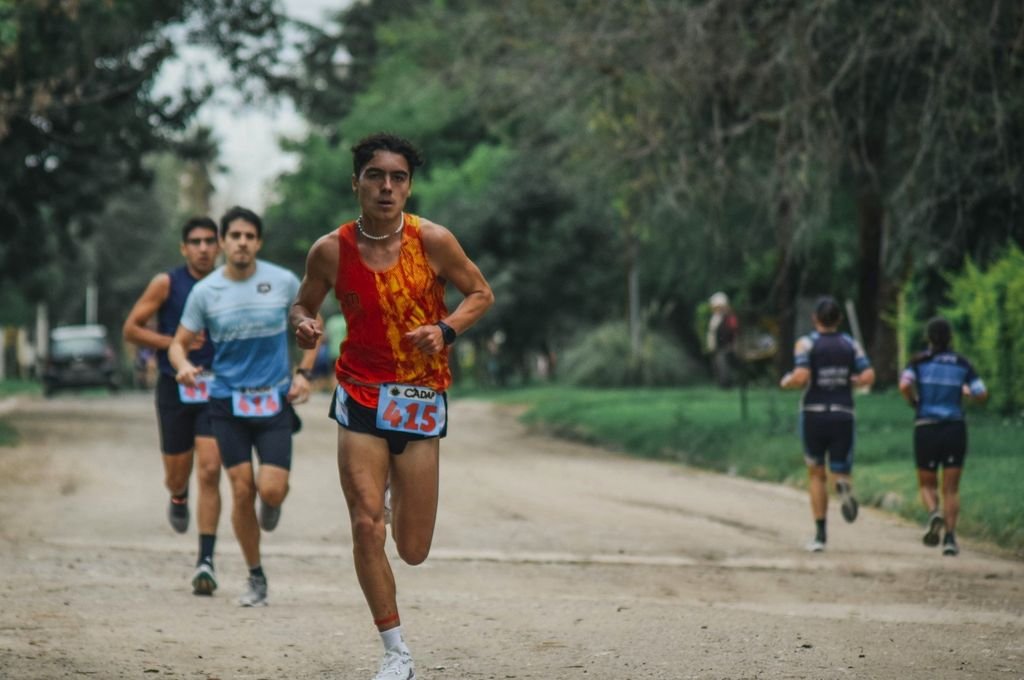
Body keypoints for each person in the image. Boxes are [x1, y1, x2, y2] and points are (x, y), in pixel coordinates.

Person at [289, 133, 494, 680]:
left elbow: (480, 293)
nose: (386, 187)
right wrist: (304, 324)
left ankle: (390, 494)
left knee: (413, 548)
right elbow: (304, 303)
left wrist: (445, 329)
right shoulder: (331, 249)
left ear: (408, 186)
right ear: (355, 183)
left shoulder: (433, 241)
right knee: (364, 524)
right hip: (359, 392)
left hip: (420, 399)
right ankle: (395, 651)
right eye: (375, 176)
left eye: (397, 178)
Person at [169, 206, 318, 607]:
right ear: (223, 242)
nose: (242, 242)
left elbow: (311, 328)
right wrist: (183, 366)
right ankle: (256, 576)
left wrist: (303, 374)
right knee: (240, 489)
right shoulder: (207, 292)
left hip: (272, 403)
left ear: (259, 242)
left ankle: (272, 503)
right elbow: (177, 343)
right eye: (234, 235)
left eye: (250, 236)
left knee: (269, 490)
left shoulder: (283, 282)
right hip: (226, 403)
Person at [122, 216, 224, 596]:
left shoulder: (230, 283)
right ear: (184, 248)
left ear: (219, 246)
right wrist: (173, 344)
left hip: (215, 388)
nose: (202, 248)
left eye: (209, 241)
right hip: (174, 388)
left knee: (211, 469)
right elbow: (131, 328)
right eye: (195, 242)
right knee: (177, 474)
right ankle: (178, 495)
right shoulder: (167, 283)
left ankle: (206, 560)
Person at [780, 296, 875, 552]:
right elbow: (868, 375)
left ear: (815, 319)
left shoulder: (806, 344)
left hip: (814, 413)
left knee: (816, 473)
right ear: (839, 320)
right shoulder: (850, 344)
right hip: (843, 412)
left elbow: (801, 376)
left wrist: (788, 381)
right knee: (840, 469)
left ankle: (820, 535)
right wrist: (850, 381)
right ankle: (843, 485)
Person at [898, 317, 988, 556]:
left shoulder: (918, 361)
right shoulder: (962, 364)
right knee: (951, 488)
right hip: (955, 428)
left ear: (928, 338)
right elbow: (981, 392)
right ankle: (950, 538)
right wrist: (966, 392)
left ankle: (933, 513)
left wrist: (914, 401)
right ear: (951, 338)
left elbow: (904, 385)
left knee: (927, 484)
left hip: (926, 427)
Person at [706, 291, 739, 387]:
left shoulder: (729, 317)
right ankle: (722, 384)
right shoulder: (715, 317)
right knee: (719, 366)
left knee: (724, 367)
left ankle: (726, 385)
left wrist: (732, 344)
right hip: (717, 346)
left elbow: (734, 331)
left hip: (725, 346)